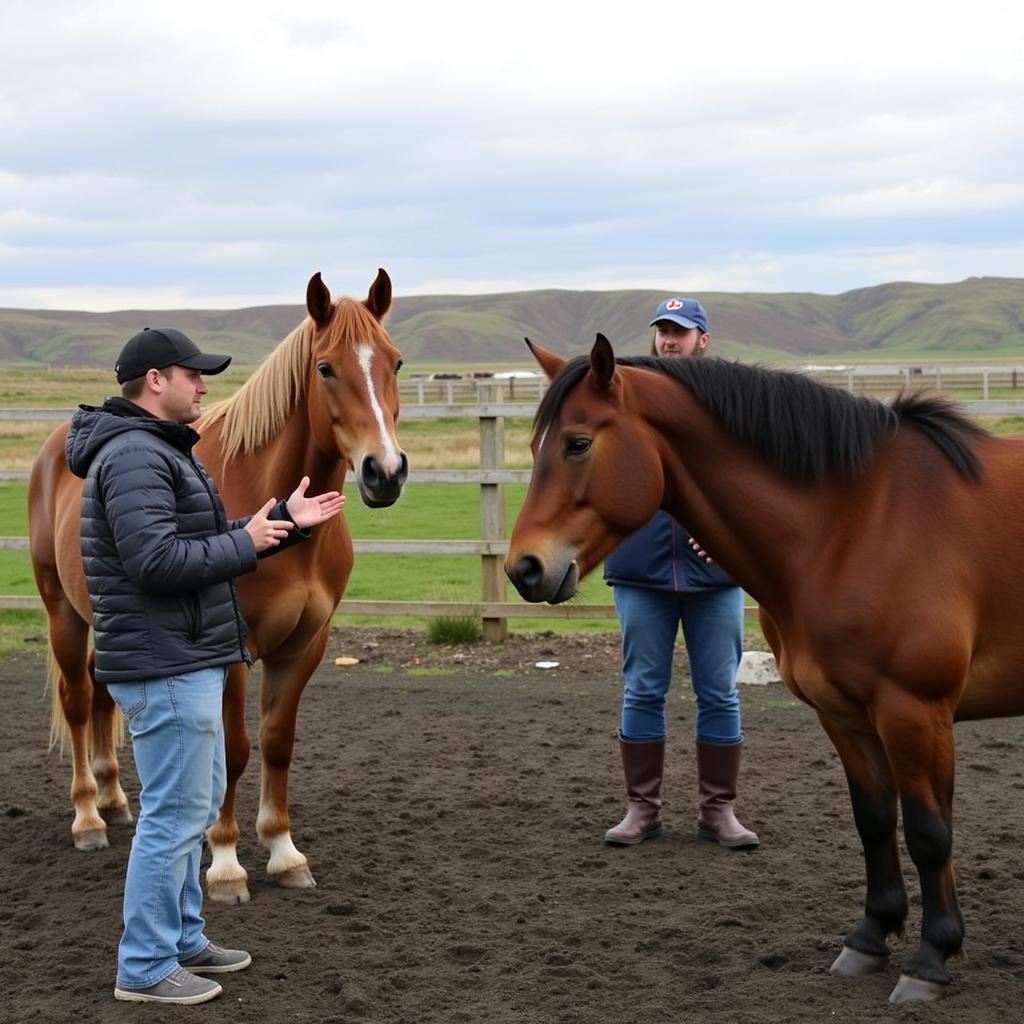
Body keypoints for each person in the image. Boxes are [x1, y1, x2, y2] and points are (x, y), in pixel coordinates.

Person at [66, 327, 346, 1005]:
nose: (206, 385)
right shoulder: (135, 456)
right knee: (171, 816)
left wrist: (283, 521)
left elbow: (201, 543)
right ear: (155, 381)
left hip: (186, 654)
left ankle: (185, 936)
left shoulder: (159, 451)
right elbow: (156, 562)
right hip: (164, 661)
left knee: (191, 806)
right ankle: (143, 966)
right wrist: (248, 540)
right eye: (194, 374)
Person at [602, 298, 759, 850]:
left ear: (703, 340)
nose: (670, 340)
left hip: (716, 572)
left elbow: (752, 478)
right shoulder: (625, 394)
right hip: (641, 567)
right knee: (643, 687)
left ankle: (719, 811)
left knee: (719, 691)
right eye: (663, 331)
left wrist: (722, 525)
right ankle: (641, 809)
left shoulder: (727, 403)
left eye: (681, 331)